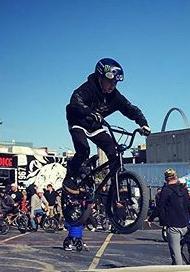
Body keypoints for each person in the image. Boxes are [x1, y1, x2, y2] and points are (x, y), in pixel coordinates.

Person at [63, 58, 151, 194]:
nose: (112, 85)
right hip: (78, 122)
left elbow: (130, 109)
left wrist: (143, 123)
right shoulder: (88, 88)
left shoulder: (115, 97)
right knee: (83, 149)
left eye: (115, 82)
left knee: (114, 152)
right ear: (100, 77)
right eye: (109, 81)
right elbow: (75, 101)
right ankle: (70, 178)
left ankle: (116, 185)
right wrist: (89, 112)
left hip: (95, 126)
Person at [158, 168, 190, 265]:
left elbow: (160, 207)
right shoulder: (183, 189)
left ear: (166, 179)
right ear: (176, 177)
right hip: (185, 224)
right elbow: (189, 205)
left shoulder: (166, 190)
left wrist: (162, 222)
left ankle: (179, 271)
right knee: (189, 243)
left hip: (173, 226)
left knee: (176, 253)